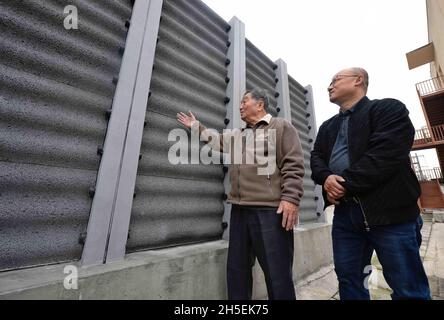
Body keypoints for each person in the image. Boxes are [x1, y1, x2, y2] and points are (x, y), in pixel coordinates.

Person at [310, 67, 431, 300]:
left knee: (407, 286)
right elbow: (316, 158)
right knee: (350, 279)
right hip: (346, 216)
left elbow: (385, 154)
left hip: (391, 215)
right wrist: (326, 178)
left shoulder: (388, 109)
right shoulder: (328, 126)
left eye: (335, 80)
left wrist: (344, 183)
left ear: (358, 80)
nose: (329, 85)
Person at [177, 89, 304, 300]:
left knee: (277, 273)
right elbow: (217, 140)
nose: (240, 106)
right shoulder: (240, 134)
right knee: (237, 271)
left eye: (245, 101)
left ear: (260, 104)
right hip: (239, 210)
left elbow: (294, 164)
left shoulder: (280, 126)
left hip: (270, 212)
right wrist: (196, 127)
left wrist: (291, 198)